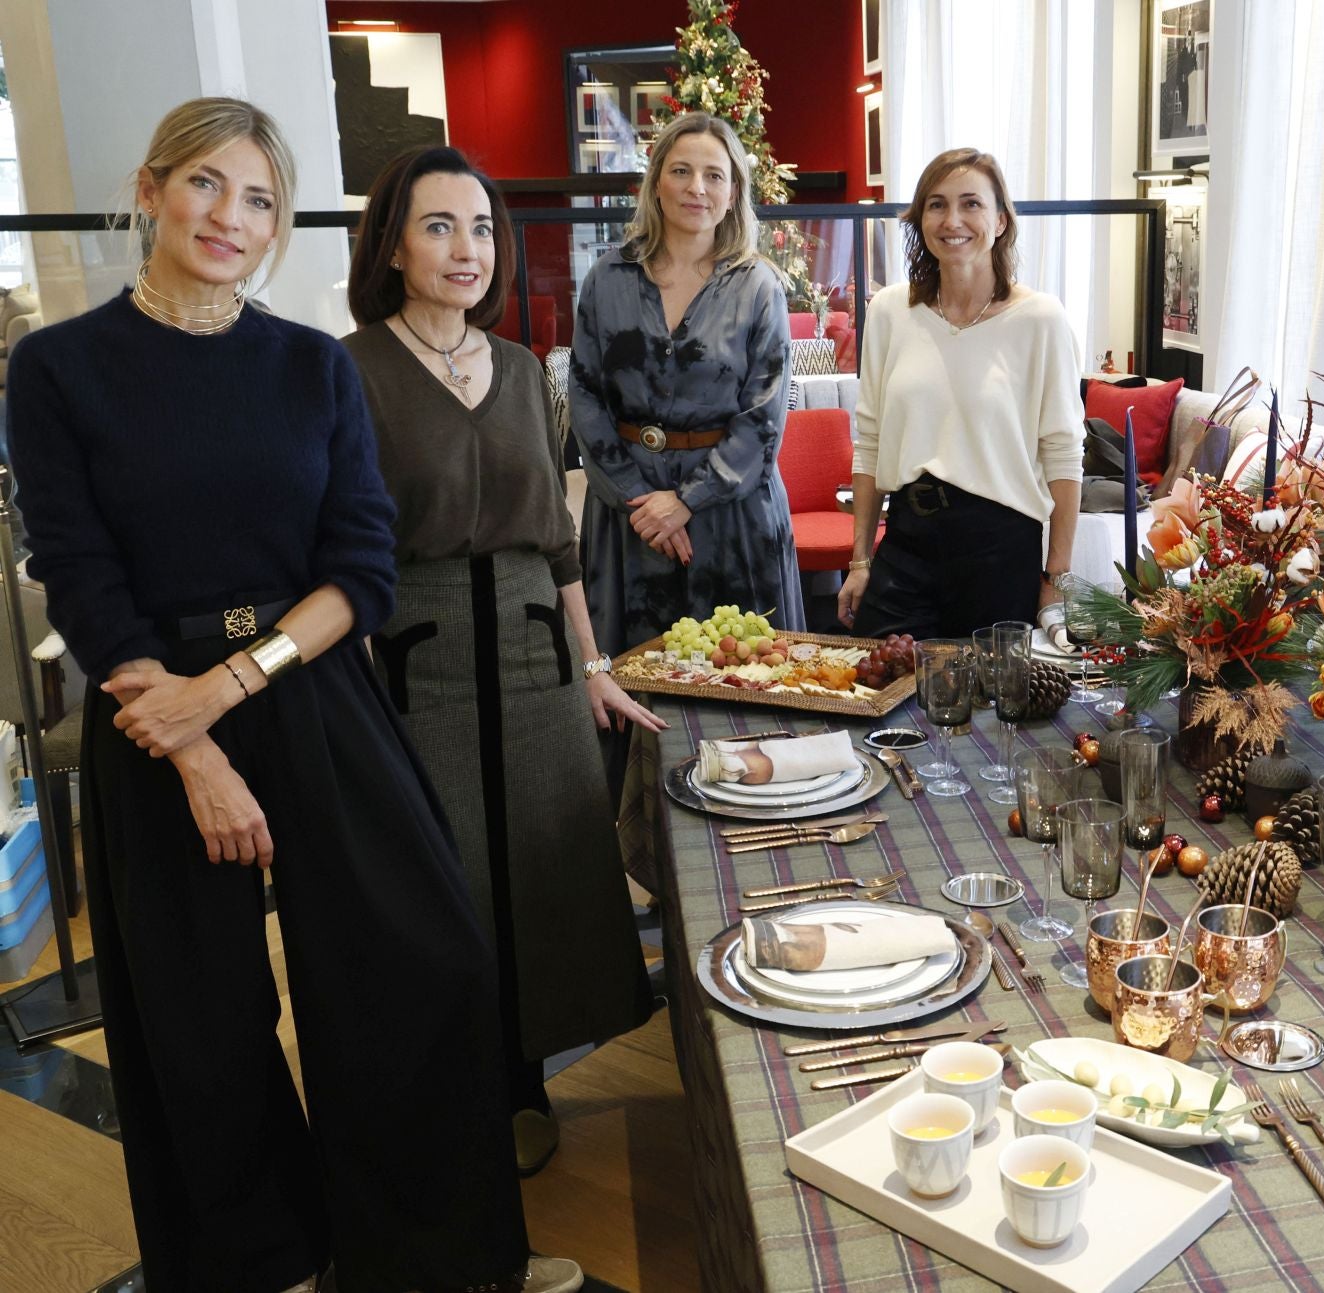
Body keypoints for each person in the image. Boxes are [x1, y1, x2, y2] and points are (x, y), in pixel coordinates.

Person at [7, 99, 578, 1293]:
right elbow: (80, 568)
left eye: (260, 199)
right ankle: (260, 1262)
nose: (232, 217)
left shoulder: (308, 364)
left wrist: (229, 688)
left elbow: (360, 569)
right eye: (208, 186)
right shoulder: (56, 367)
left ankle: (431, 1253)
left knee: (423, 961)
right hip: (145, 707)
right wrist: (196, 745)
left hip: (304, 684)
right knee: (195, 1019)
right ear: (153, 187)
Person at [342, 145, 659, 1180]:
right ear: (392, 246)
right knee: (445, 878)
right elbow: (340, 542)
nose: (465, 249)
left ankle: (524, 1083)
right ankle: (452, 1090)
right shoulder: (351, 370)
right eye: (438, 227)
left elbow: (559, 543)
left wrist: (595, 661)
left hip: (534, 653)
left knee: (545, 869)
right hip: (417, 654)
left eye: (480, 228)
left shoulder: (523, 368)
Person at [570, 111, 802, 788]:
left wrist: (687, 500)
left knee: (741, 682)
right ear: (656, 183)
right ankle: (641, 859)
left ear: (733, 193)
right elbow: (584, 396)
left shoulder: (757, 285)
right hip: (628, 514)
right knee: (635, 688)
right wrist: (643, 502)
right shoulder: (607, 278)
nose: (696, 187)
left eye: (714, 175)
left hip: (731, 520)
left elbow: (765, 418)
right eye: (681, 170)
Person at [838, 148, 1083, 640]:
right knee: (878, 695)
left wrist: (1056, 579)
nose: (953, 220)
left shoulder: (1040, 319)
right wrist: (860, 560)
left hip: (1000, 548)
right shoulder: (889, 311)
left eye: (971, 203)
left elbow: (1062, 454)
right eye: (936, 204)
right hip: (906, 542)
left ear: (1000, 220)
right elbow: (870, 442)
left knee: (992, 707)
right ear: (920, 219)